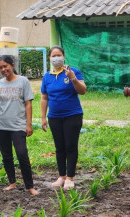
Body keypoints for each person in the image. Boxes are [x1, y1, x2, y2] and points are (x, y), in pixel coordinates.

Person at [0, 55, 39, 196]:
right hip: (1, 124)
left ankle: (30, 186)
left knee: (22, 154)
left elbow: (28, 104)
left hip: (18, 125)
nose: (4, 69)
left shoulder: (23, 81)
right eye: (1, 67)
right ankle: (12, 182)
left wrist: (29, 124)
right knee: (6, 155)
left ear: (12, 65)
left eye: (6, 66)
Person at [41, 46, 87, 190]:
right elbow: (44, 97)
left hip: (72, 115)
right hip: (54, 117)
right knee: (59, 147)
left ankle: (70, 177)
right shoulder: (47, 76)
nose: (56, 58)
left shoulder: (72, 71)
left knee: (70, 146)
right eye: (53, 56)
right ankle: (61, 176)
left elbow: (83, 90)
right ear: (49, 58)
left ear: (64, 56)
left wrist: (72, 78)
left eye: (59, 55)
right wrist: (43, 117)